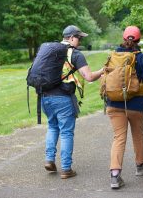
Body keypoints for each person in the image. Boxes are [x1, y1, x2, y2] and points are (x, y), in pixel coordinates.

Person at [42, 25, 104, 179]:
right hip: (62, 99)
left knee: (52, 126)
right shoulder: (75, 54)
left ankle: (49, 160)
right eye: (78, 37)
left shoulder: (49, 51)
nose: (80, 40)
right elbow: (88, 77)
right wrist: (103, 71)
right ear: (70, 38)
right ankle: (66, 169)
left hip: (45, 97)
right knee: (66, 132)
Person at [106, 26, 143, 189]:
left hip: (114, 104)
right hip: (137, 105)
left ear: (124, 38)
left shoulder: (113, 56)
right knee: (138, 134)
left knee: (118, 138)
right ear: (138, 40)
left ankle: (115, 176)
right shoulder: (141, 58)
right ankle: (140, 166)